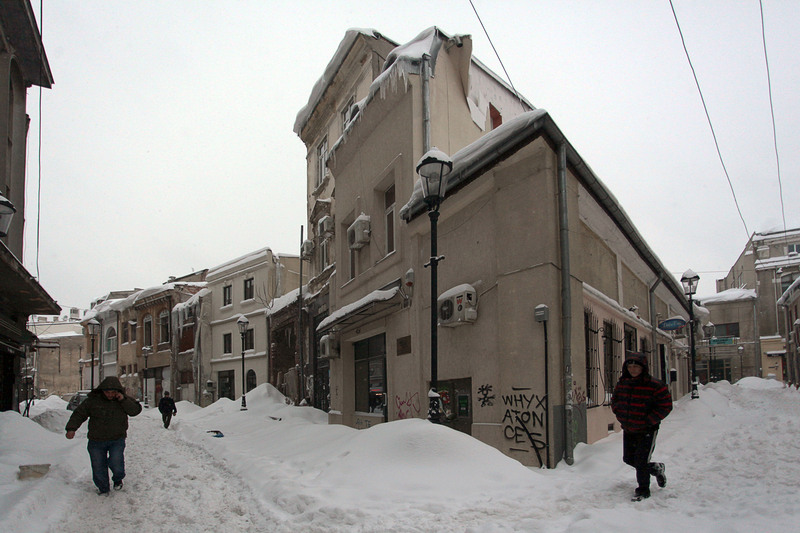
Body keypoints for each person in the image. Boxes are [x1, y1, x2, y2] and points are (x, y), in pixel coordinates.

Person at [611, 351, 673, 501]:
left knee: (641, 460)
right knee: (628, 458)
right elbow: (615, 401)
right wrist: (621, 416)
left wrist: (649, 420)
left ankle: (643, 490)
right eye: (630, 367)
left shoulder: (655, 385)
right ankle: (656, 468)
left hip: (647, 430)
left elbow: (666, 405)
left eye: (636, 367)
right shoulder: (623, 384)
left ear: (643, 368)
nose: (632, 370)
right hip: (629, 428)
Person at [65, 376, 142, 495]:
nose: (110, 395)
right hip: (96, 440)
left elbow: (135, 411)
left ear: (118, 391)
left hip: (117, 439)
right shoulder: (92, 401)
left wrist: (123, 400)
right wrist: (71, 428)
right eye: (107, 392)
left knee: (116, 462)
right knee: (98, 465)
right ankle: (103, 488)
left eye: (113, 392)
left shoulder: (123, 400)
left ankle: (118, 479)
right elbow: (79, 414)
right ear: (102, 391)